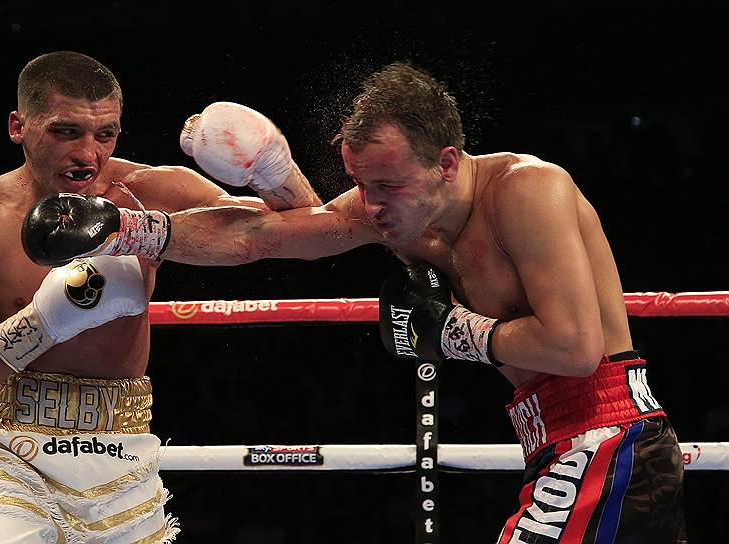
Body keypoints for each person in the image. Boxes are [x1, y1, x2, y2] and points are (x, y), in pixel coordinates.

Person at [43, 61, 687, 543]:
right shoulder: (401, 214)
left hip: (609, 439)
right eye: (360, 183)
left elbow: (575, 348)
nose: (371, 204)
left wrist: (451, 331)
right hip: (557, 444)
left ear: (446, 162)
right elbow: (261, 236)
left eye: (387, 185)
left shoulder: (527, 189)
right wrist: (128, 229)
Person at [0, 51, 320, 544]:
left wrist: (273, 170)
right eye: (66, 132)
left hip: (118, 443)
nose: (88, 154)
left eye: (105, 134)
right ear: (18, 127)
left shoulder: (146, 192)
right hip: (4, 443)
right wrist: (43, 324)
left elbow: (304, 233)